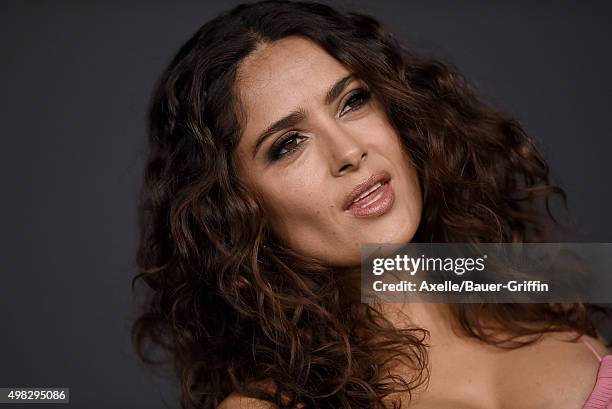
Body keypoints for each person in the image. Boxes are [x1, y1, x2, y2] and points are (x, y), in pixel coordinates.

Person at [131, 1, 612, 408]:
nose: (347, 152)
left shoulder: (536, 283)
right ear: (234, 209)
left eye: (352, 101)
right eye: (287, 144)